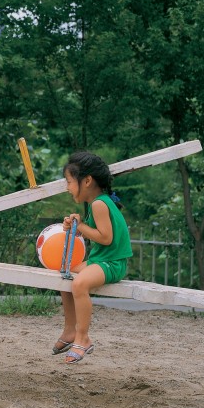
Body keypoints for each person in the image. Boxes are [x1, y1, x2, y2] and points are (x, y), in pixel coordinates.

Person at [52, 151, 132, 363]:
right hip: (102, 260)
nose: (67, 188)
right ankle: (70, 331)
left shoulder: (99, 204)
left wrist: (82, 226)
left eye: (69, 182)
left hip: (112, 263)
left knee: (79, 284)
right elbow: (95, 233)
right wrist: (77, 226)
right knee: (66, 277)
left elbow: (105, 238)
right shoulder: (96, 203)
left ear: (86, 180)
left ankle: (83, 337)